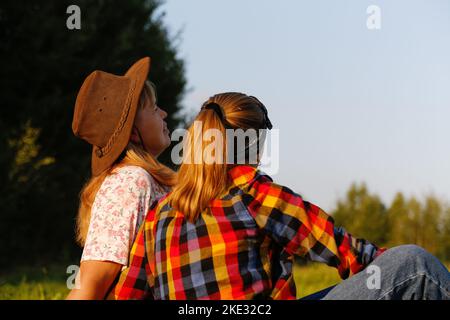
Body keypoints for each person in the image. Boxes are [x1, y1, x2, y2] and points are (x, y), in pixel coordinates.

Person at [114, 92, 449, 300]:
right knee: (415, 264)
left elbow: (129, 294)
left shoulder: (158, 215)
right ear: (251, 143)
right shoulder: (254, 193)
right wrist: (384, 262)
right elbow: (344, 251)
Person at [66, 57, 176, 299]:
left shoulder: (145, 178)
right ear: (133, 133)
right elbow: (91, 284)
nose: (164, 113)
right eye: (154, 108)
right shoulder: (129, 181)